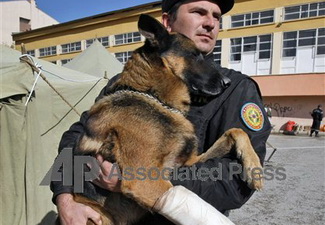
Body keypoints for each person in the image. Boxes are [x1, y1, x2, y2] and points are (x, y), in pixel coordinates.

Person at [51, 0, 272, 224]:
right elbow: (74, 137)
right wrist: (65, 197)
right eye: (199, 12)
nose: (210, 23)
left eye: (216, 16)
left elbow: (235, 184)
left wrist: (138, 179)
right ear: (167, 22)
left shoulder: (236, 88)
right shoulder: (124, 84)